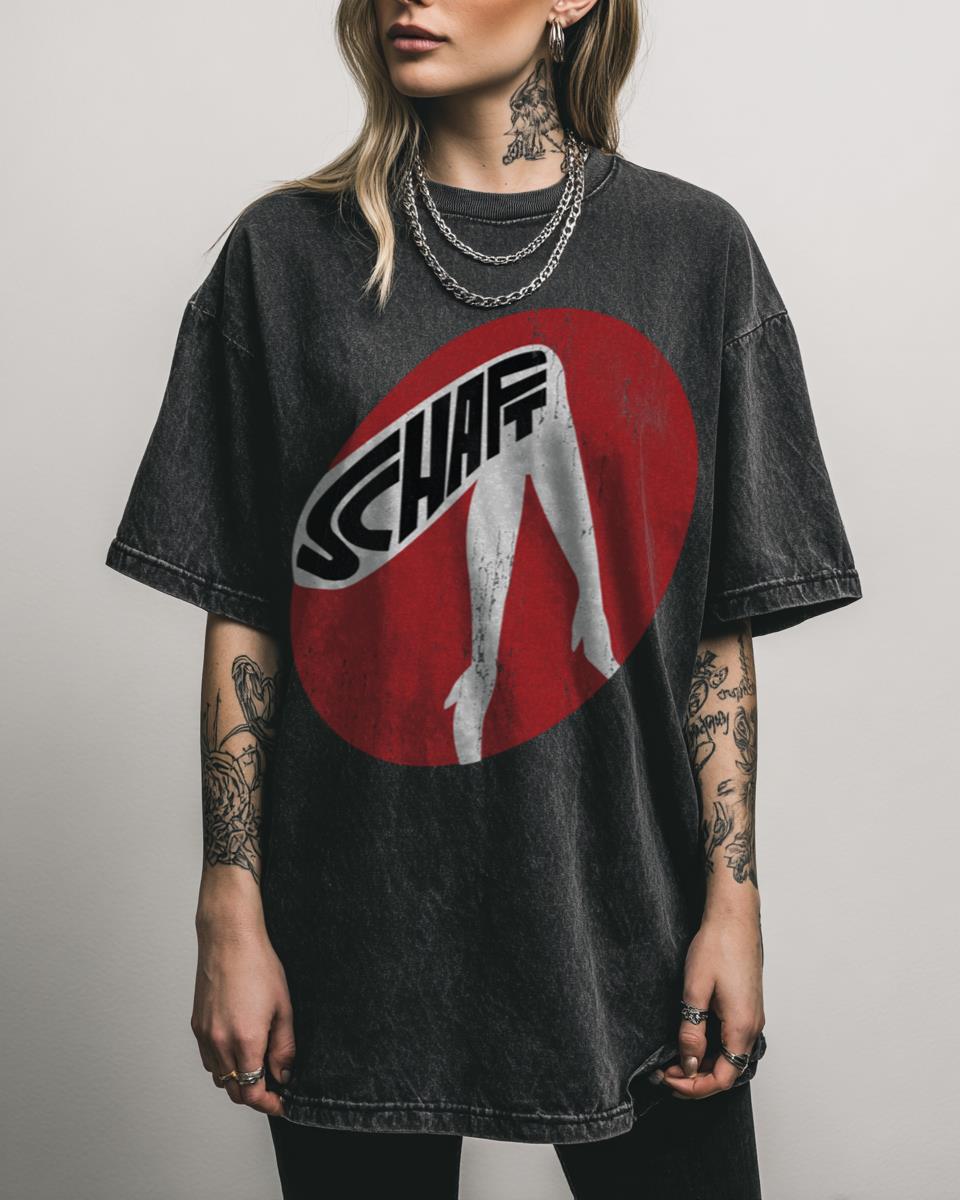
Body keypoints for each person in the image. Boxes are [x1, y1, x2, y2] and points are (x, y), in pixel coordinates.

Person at [103, 1, 864, 1196]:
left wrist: (734, 901)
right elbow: (245, 610)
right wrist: (229, 905)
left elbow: (715, 631)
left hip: (630, 923)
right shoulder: (284, 257)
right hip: (353, 931)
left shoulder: (693, 253)